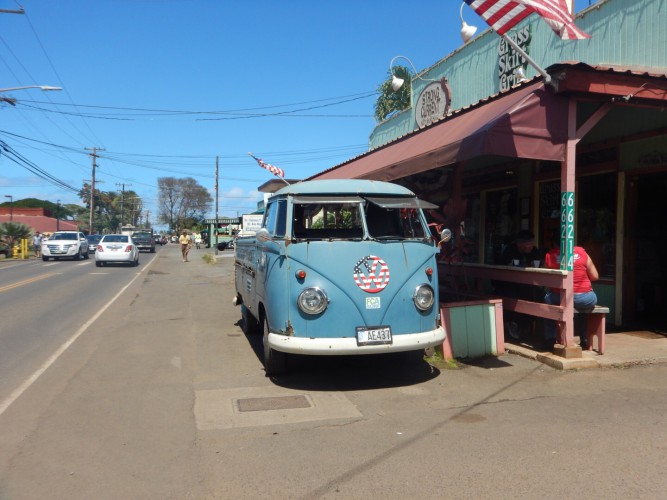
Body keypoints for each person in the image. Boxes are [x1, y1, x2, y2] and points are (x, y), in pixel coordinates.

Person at [543, 243, 599, 350]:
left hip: (559, 297)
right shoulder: (582, 252)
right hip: (584, 298)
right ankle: (584, 339)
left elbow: (546, 279)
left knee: (548, 302)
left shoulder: (550, 255)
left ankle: (550, 337)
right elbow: (595, 276)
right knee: (581, 306)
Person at [494, 231, 543, 340]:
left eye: (531, 243)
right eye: (527, 243)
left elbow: (539, 264)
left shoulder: (535, 251)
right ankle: (513, 325)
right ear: (519, 244)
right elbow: (501, 267)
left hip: (528, 284)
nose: (530, 246)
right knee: (513, 298)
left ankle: (526, 327)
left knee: (539, 297)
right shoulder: (509, 250)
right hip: (508, 284)